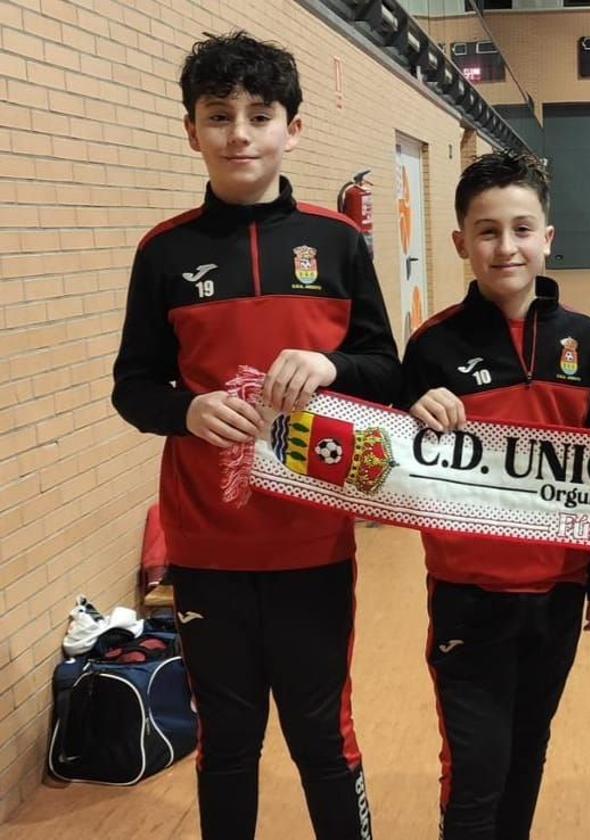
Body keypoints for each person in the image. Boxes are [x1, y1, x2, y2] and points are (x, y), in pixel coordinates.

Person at [111, 31, 400, 840]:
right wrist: (186, 410)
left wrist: (332, 366)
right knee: (228, 745)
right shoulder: (163, 253)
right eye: (218, 115)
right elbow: (133, 388)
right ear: (191, 130)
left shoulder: (338, 243)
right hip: (207, 548)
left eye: (259, 114)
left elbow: (390, 371)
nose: (239, 132)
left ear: (291, 129)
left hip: (313, 541)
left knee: (321, 737)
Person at [398, 152, 590, 840]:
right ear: (461, 242)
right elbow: (393, 453)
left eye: (522, 228)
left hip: (558, 592)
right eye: (487, 231)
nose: (506, 246)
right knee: (476, 770)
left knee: (528, 753)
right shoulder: (432, 345)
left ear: (547, 238)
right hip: (470, 592)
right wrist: (412, 406)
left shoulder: (582, 338)